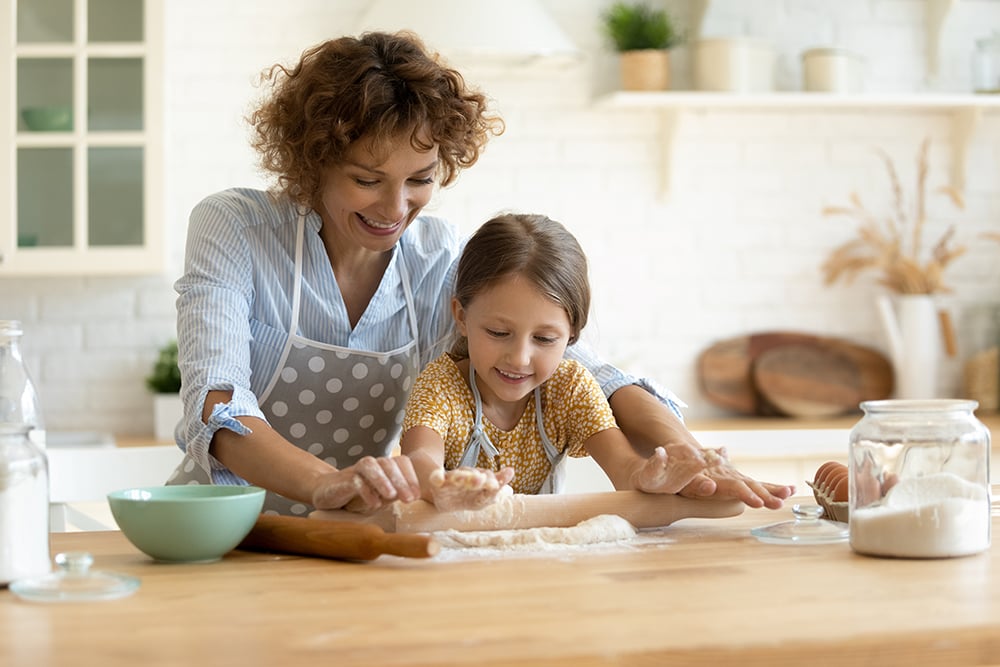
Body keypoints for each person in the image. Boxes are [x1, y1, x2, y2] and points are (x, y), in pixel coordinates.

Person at [165, 30, 793, 516]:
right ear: (313, 161)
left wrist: (690, 454)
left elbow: (585, 369)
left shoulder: (437, 256)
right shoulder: (235, 228)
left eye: (419, 180)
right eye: (365, 180)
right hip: (221, 526)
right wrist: (327, 481)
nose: (394, 210)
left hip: (352, 532)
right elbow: (217, 402)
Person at [401, 213, 710, 510]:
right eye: (498, 332)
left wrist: (646, 476)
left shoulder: (568, 388)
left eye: (545, 339)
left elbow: (624, 467)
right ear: (462, 317)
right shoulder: (441, 386)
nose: (519, 358)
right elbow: (420, 459)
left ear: (572, 335)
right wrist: (442, 484)